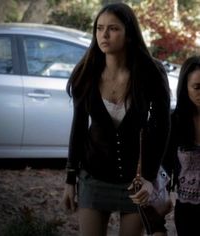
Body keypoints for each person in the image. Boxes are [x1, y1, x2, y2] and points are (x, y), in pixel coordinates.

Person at [62, 2, 170, 236]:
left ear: (129, 33)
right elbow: (79, 127)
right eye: (99, 29)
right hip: (93, 177)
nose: (104, 35)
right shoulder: (86, 72)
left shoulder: (151, 72)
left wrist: (150, 178)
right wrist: (70, 179)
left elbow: (162, 128)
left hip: (136, 183)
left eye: (113, 28)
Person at [163, 55, 200, 236]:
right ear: (185, 88)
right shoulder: (175, 123)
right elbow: (164, 169)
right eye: (197, 87)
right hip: (188, 211)